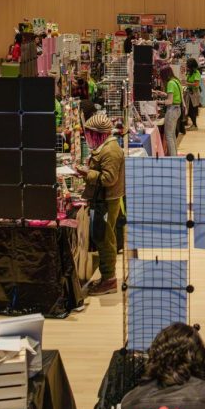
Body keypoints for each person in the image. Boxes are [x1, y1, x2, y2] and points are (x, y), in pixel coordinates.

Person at [78, 113, 124, 297]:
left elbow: (108, 179)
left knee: (105, 239)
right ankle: (107, 276)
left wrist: (87, 173)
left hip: (106, 200)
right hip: (103, 199)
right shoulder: (106, 147)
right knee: (103, 237)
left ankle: (109, 279)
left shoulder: (110, 151)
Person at [159, 65, 183, 154]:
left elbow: (169, 101)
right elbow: (175, 97)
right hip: (177, 109)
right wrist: (164, 94)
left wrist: (159, 102)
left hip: (172, 110)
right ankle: (174, 155)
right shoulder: (176, 81)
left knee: (168, 135)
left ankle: (172, 157)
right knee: (172, 134)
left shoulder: (170, 83)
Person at [184, 58, 203, 131]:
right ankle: (193, 124)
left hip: (194, 94)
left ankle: (195, 125)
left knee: (193, 109)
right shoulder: (190, 72)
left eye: (188, 65)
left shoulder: (196, 72)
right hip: (190, 93)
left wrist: (187, 83)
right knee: (189, 109)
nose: (186, 66)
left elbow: (196, 84)